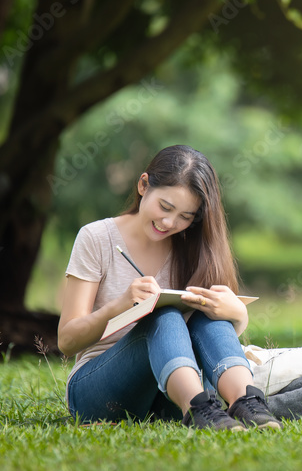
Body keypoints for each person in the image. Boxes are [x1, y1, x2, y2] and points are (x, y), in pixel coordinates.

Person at [58, 144, 281, 430]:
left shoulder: (193, 248)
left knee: (206, 315)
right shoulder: (96, 238)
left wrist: (237, 314)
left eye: (185, 216)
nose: (169, 222)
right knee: (162, 315)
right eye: (165, 207)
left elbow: (207, 341)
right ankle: (199, 410)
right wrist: (120, 307)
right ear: (143, 185)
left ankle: (247, 403)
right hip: (97, 391)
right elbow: (67, 341)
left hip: (169, 395)